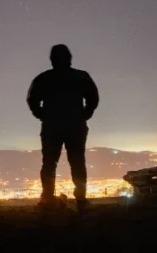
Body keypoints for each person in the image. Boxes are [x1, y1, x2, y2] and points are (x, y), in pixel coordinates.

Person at [26, 44, 99, 211]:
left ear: (52, 60)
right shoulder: (81, 77)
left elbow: (32, 101)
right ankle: (80, 200)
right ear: (70, 58)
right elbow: (93, 98)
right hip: (75, 125)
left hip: (52, 126)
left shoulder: (43, 78)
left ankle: (49, 198)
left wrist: (43, 116)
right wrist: (84, 115)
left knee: (49, 163)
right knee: (78, 163)